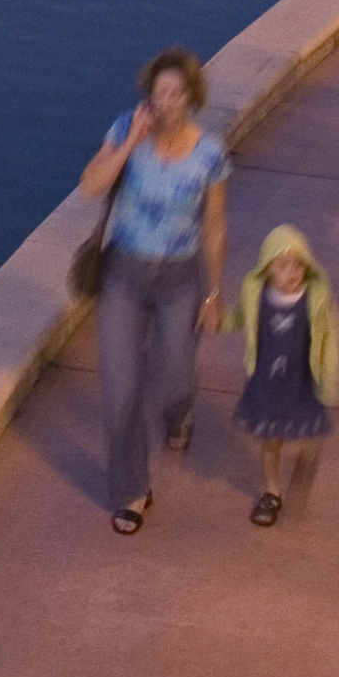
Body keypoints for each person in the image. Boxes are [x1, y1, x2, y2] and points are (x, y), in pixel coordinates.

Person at [80, 46, 231, 535]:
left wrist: (214, 293)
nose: (166, 101)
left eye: (175, 93)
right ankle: (132, 490)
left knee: (175, 375)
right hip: (123, 272)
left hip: (179, 277)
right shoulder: (127, 128)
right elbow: (89, 185)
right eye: (158, 93)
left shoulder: (209, 154)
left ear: (191, 98)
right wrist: (129, 145)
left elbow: (214, 227)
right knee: (120, 388)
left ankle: (179, 413)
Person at [231, 224, 339, 527]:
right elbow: (242, 317)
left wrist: (328, 376)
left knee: (304, 430)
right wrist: (219, 321)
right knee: (270, 439)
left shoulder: (314, 300)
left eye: (298, 264)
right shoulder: (258, 297)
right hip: (267, 383)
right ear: (267, 269)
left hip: (300, 382)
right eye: (283, 265)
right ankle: (272, 490)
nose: (292, 272)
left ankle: (307, 456)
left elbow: (331, 335)